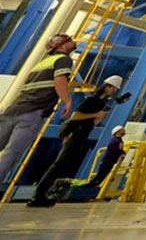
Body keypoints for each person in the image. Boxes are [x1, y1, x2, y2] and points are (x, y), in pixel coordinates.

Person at [28, 74, 123, 206]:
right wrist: (96, 114)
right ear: (107, 86)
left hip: (80, 136)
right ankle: (38, 196)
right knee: (58, 165)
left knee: (62, 166)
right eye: (113, 88)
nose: (113, 91)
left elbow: (93, 122)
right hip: (74, 135)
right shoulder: (92, 100)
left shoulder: (100, 103)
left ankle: (45, 194)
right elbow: (75, 116)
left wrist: (99, 116)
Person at [0, 33, 76, 185]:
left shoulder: (43, 62)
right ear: (61, 46)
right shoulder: (64, 59)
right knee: (11, 153)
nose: (74, 42)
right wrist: (67, 101)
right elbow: (59, 80)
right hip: (32, 113)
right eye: (70, 40)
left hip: (13, 109)